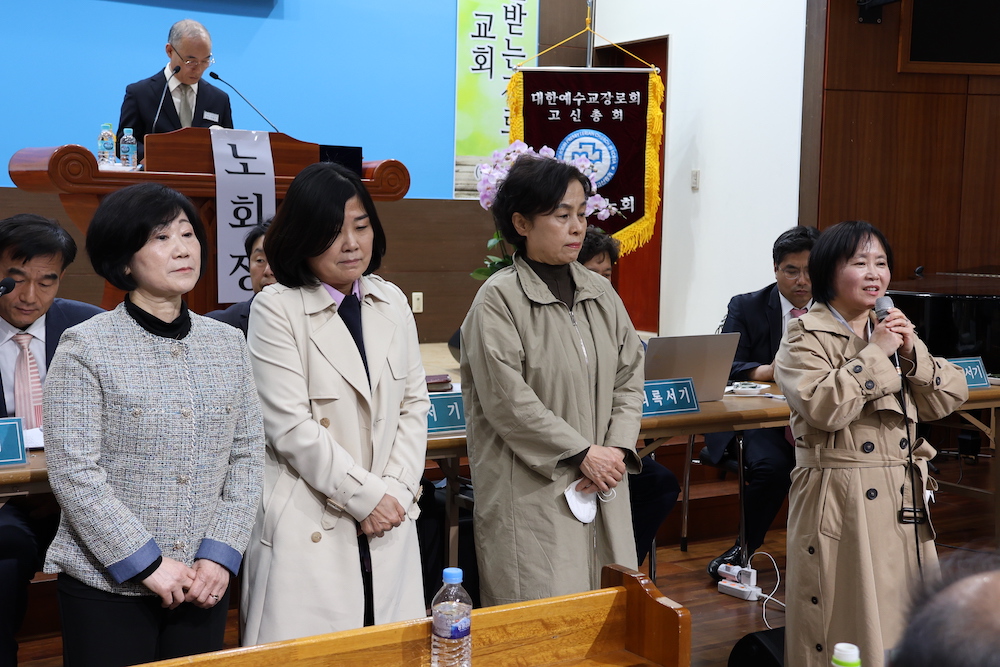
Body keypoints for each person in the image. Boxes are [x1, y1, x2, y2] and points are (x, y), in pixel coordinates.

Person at [42, 183, 264, 666]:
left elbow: (248, 457)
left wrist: (220, 553)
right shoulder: (85, 346)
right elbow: (75, 473)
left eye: (187, 234)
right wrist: (149, 563)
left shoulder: (227, 343)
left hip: (203, 582)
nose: (182, 249)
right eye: (161, 238)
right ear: (124, 261)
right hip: (107, 583)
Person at [242, 162, 429, 644]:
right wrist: (367, 498)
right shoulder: (276, 307)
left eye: (361, 227)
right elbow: (290, 427)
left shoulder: (391, 301)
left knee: (388, 646)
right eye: (332, 232)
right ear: (302, 237)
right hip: (313, 513)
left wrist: (396, 492)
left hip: (389, 514)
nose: (351, 243)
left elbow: (414, 405)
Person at [773, 220, 968, 667]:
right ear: (828, 271)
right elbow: (824, 407)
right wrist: (877, 353)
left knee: (904, 616)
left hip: (902, 493)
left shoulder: (892, 329)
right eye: (859, 263)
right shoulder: (803, 334)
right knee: (846, 617)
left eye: (880, 263)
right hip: (840, 493)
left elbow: (947, 398)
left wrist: (911, 352)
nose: (874, 273)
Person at [461, 155, 645, 606]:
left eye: (581, 213)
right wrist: (581, 452)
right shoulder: (498, 300)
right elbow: (509, 401)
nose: (577, 227)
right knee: (543, 614)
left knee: (608, 607)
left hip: (603, 477)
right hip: (533, 488)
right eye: (562, 215)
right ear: (521, 223)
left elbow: (629, 377)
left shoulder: (601, 292)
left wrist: (616, 450)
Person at [0, 214, 102, 667]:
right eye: (15, 279)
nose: (29, 296)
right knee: (6, 548)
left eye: (47, 281)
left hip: (80, 493)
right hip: (4, 498)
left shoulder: (91, 328)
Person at [705, 225, 820, 580]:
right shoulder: (746, 305)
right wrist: (767, 371)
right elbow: (723, 365)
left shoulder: (834, 309)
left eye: (810, 271)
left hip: (817, 416)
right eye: (791, 270)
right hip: (759, 420)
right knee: (774, 467)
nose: (802, 281)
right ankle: (743, 548)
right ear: (775, 268)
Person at [577, 225, 679, 566]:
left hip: (611, 445)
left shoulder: (612, 310)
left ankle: (622, 570)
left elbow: (631, 374)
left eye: (607, 274)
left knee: (660, 483)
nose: (602, 282)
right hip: (572, 450)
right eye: (592, 272)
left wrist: (617, 450)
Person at [117, 19, 233, 162]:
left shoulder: (219, 99)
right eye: (190, 61)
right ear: (170, 51)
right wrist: (151, 157)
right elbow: (123, 142)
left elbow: (230, 147)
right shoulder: (140, 93)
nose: (198, 69)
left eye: (205, 61)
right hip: (157, 174)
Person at [206, 220, 274, 336]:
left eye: (278, 260)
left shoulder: (306, 322)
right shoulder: (216, 327)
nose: (268, 271)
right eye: (260, 260)